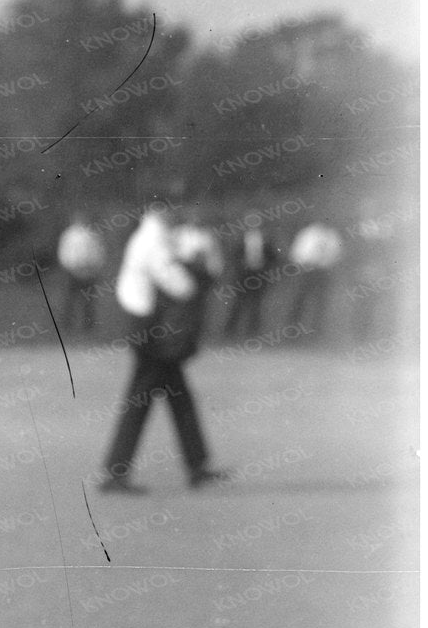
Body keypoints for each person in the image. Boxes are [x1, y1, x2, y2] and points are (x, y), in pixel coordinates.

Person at [97, 202, 229, 494]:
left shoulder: (153, 237)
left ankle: (197, 466)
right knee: (140, 402)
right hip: (153, 331)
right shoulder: (153, 240)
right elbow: (178, 285)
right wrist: (197, 272)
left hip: (152, 328)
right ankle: (115, 473)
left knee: (179, 399)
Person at [218, 212, 276, 340]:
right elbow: (233, 255)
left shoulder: (266, 238)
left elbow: (273, 256)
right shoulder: (240, 237)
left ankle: (253, 331)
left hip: (260, 273)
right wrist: (241, 264)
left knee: (256, 303)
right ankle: (230, 330)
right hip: (243, 274)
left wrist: (266, 266)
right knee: (238, 302)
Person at [287, 218, 345, 339]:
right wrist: (304, 264)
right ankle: (292, 331)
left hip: (323, 271)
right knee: (300, 301)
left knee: (320, 302)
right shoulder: (307, 234)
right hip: (307, 271)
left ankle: (316, 332)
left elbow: (337, 253)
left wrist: (326, 262)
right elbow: (296, 252)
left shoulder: (332, 235)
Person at [55, 211, 107, 337]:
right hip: (73, 269)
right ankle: (67, 324)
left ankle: (88, 325)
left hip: (88, 269)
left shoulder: (92, 234)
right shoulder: (69, 235)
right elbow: (64, 251)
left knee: (87, 300)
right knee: (71, 299)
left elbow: (98, 251)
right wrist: (68, 265)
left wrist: (96, 266)